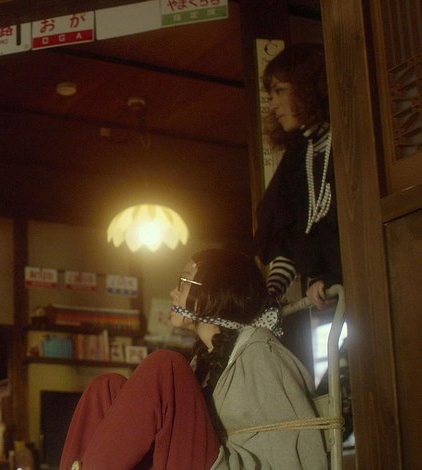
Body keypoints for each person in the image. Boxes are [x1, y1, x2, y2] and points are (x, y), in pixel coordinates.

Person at [59, 249, 327, 470]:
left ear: (216, 290)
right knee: (107, 387)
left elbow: (303, 444)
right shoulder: (201, 362)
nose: (173, 293)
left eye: (184, 282)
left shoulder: (260, 351)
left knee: (166, 366)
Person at [253, 43, 341, 310]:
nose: (273, 104)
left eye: (279, 90)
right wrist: (270, 296)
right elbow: (286, 233)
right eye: (270, 95)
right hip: (331, 296)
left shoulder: (346, 140)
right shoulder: (298, 156)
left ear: (306, 87)